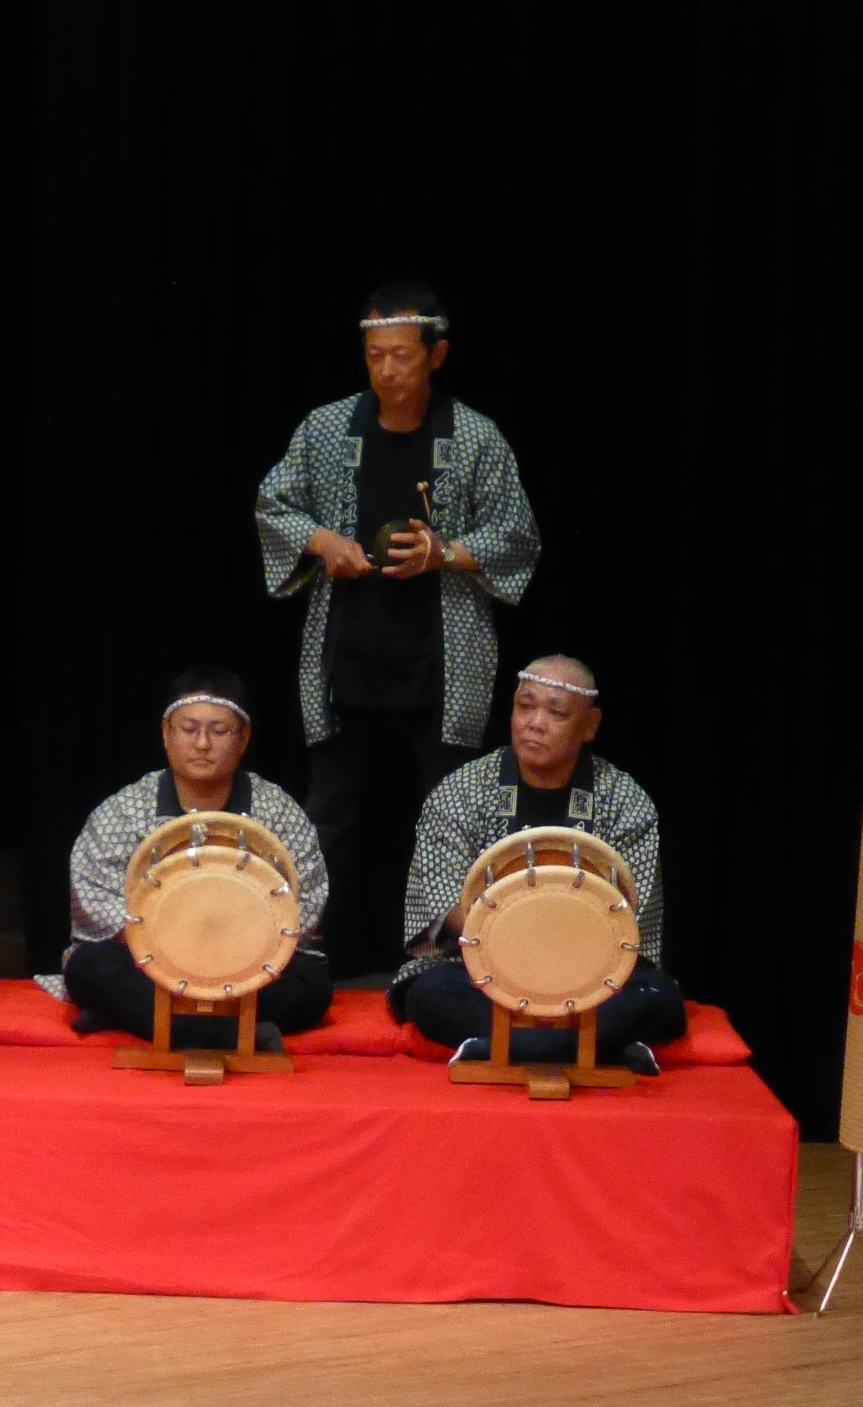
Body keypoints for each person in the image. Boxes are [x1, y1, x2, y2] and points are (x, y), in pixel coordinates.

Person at [255, 279, 541, 972]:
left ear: (436, 355)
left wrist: (444, 553)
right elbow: (272, 502)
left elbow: (518, 536)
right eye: (375, 356)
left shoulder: (474, 437)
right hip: (345, 655)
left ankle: (453, 959)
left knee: (447, 819)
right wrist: (323, 542)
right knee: (330, 817)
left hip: (441, 666)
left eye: (403, 357)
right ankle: (304, 953)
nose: (387, 371)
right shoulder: (326, 429)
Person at [390, 657, 687, 1070]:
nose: (534, 723)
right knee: (428, 992)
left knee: (660, 997)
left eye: (557, 713)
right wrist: (518, 944)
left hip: (591, 968)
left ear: (590, 725)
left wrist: (559, 954)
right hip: (485, 967)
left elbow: (628, 913)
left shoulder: (624, 800)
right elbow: (444, 903)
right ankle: (598, 1047)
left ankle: (501, 1044)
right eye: (525, 707)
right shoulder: (463, 790)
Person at [47, 668, 333, 1048]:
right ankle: (234, 1033)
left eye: (218, 731)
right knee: (88, 967)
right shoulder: (124, 810)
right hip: (150, 963)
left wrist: (229, 947)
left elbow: (304, 902)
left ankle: (146, 1020)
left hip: (250, 965)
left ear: (243, 738)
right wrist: (177, 944)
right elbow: (97, 901)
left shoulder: (279, 813)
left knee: (312, 983)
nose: (202, 744)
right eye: (189, 729)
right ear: (167, 734)